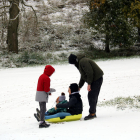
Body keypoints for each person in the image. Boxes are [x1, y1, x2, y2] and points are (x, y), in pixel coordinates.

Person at [68, 54, 104, 120]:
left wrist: (89, 84)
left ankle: (92, 113)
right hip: (93, 79)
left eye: (72, 63)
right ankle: (93, 112)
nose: (73, 65)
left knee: (92, 96)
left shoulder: (83, 62)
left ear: (74, 60)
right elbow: (83, 75)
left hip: (97, 79)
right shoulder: (79, 63)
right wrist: (80, 86)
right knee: (92, 96)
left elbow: (90, 73)